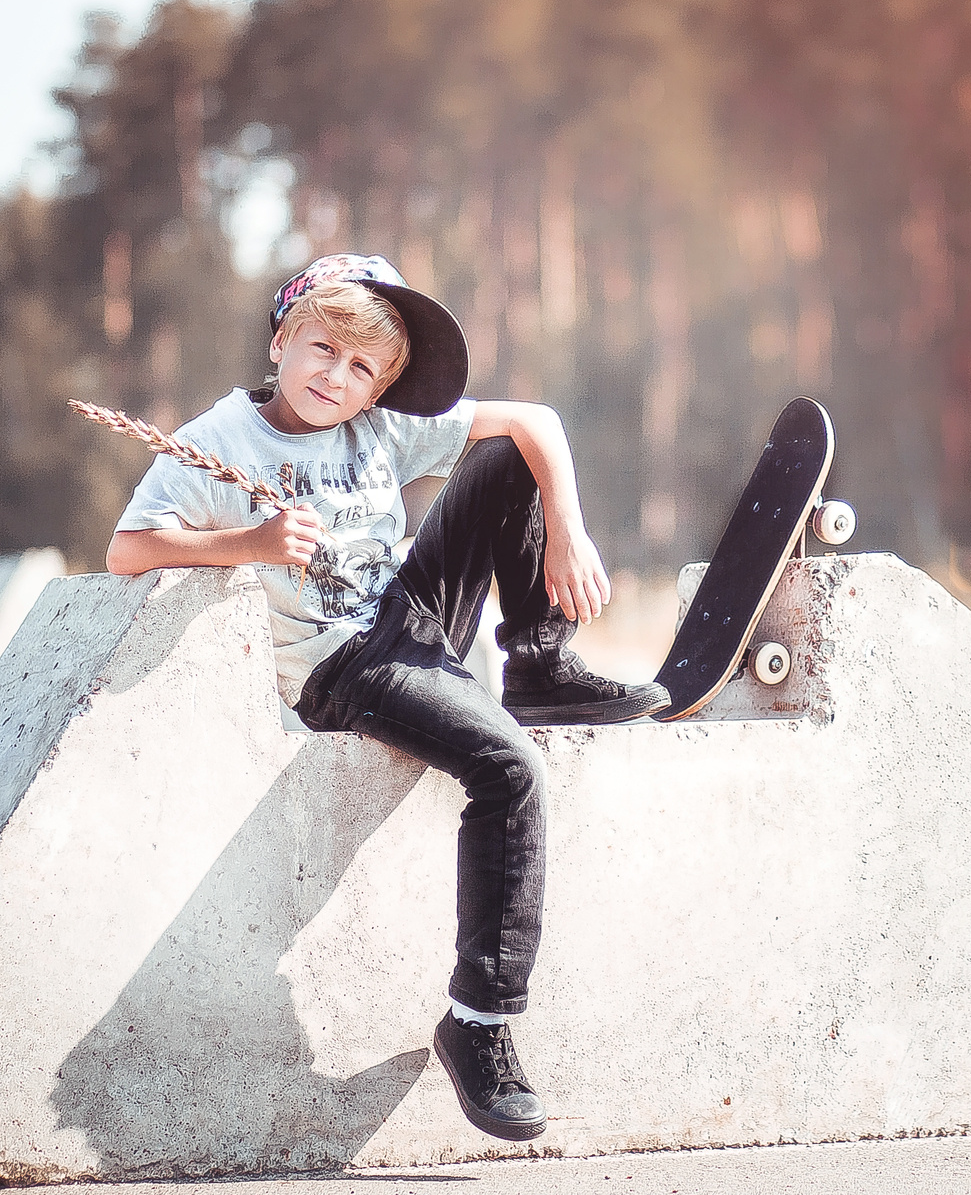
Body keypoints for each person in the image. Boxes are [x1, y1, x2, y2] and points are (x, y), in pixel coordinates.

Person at [106, 252, 666, 1142]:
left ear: (382, 387)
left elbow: (538, 421)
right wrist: (250, 542)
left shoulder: (378, 426)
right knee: (510, 770)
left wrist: (567, 524)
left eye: (363, 368)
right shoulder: (223, 438)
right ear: (281, 341)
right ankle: (479, 1021)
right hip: (340, 664)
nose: (337, 377)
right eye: (323, 348)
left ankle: (537, 666)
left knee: (505, 457)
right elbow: (129, 548)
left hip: (406, 612)